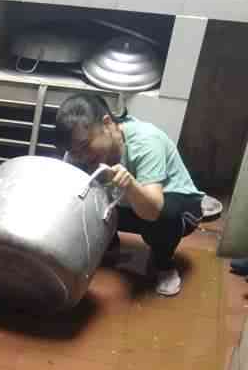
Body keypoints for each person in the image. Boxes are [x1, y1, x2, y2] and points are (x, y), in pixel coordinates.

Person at [55, 93, 222, 297]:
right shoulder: (77, 154)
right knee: (80, 201)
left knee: (165, 216)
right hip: (125, 207)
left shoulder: (146, 141)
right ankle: (109, 245)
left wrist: (131, 186)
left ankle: (163, 263)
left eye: (84, 146)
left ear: (107, 124)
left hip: (174, 209)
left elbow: (152, 211)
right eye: (74, 151)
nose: (81, 156)